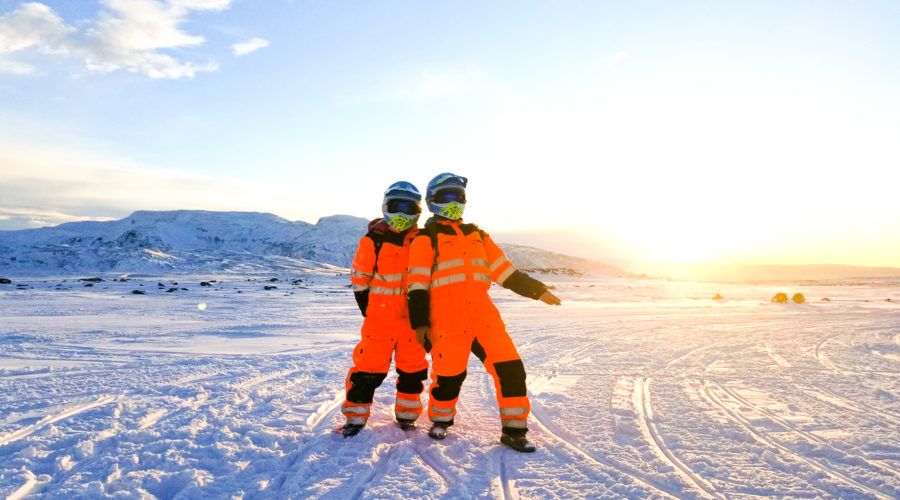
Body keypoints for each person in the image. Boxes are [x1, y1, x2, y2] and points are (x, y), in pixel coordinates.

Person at [406, 173, 561, 452]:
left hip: (484, 317)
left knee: (511, 369)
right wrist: (420, 324)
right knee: (449, 377)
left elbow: (505, 271)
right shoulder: (425, 238)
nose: (454, 203)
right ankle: (441, 421)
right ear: (433, 202)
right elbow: (416, 284)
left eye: (459, 197)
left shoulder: (478, 236)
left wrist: (536, 290)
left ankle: (514, 431)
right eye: (446, 197)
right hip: (447, 320)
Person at [340, 181, 430, 437]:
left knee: (413, 370)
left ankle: (407, 415)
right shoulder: (373, 240)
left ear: (417, 210)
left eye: (408, 207)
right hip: (380, 321)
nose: (401, 214)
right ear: (386, 207)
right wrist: (372, 312)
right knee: (368, 369)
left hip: (413, 322)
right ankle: (355, 418)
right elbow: (360, 281)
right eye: (396, 207)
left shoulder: (424, 241)